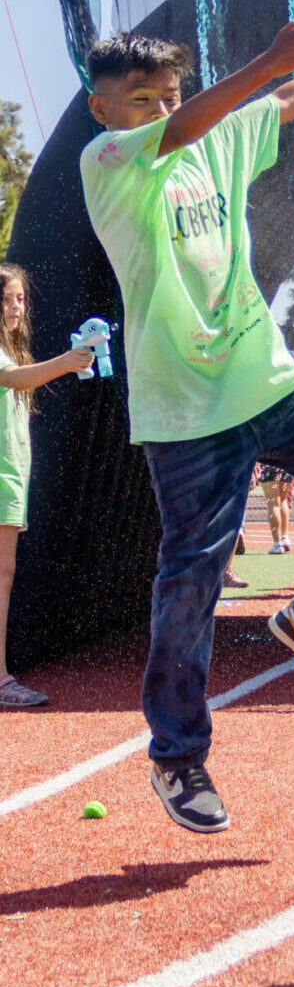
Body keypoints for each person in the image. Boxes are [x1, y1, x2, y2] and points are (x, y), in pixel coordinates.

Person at [80, 9, 294, 833]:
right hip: (184, 406)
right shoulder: (109, 161)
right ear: (104, 110)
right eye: (142, 99)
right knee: (191, 576)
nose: (162, 110)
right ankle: (177, 757)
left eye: (171, 94)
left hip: (262, 377)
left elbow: (280, 104)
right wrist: (266, 59)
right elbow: (229, 105)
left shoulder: (214, 140)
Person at [0, 264, 96, 708]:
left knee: (4, 576)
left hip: (10, 479)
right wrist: (68, 362)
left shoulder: (9, 348)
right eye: (7, 298)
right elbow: (15, 379)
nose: (16, 307)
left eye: (20, 298)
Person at [259, 462, 293, 554]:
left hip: (269, 462)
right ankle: (284, 538)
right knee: (283, 500)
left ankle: (277, 544)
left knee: (273, 502)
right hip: (286, 463)